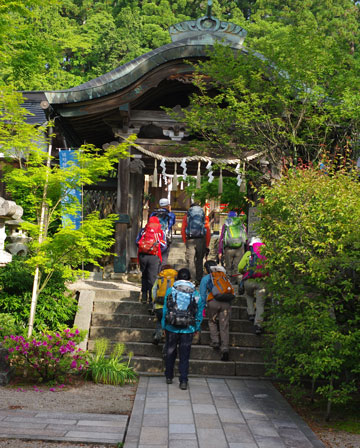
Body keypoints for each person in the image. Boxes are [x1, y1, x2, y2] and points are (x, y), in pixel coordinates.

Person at [161, 268, 205, 390]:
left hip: (171, 326)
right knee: (185, 355)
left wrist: (164, 326)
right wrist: (196, 327)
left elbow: (165, 309)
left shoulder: (170, 290)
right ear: (189, 279)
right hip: (188, 328)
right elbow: (199, 313)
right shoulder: (195, 294)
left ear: (177, 278)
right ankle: (183, 380)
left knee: (170, 351)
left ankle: (169, 376)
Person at [200, 260, 235, 361]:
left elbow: (202, 296)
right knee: (224, 325)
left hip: (213, 303)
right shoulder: (223, 276)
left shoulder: (206, 278)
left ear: (206, 269)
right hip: (226, 303)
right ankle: (225, 349)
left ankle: (215, 341)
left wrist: (202, 309)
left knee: (212, 321)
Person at [238, 237, 267, 335]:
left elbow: (240, 267)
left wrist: (245, 272)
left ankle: (250, 313)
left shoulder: (248, 254)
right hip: (262, 281)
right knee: (260, 304)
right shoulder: (266, 253)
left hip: (249, 280)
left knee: (249, 295)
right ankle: (258, 325)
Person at [136, 216, 166, 304]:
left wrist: (144, 249)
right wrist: (156, 251)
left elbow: (137, 242)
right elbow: (164, 245)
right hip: (154, 257)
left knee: (144, 275)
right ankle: (151, 300)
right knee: (152, 278)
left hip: (143, 256)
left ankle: (144, 296)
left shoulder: (143, 230)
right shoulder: (160, 231)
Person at [181, 203, 211, 284]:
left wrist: (185, 241)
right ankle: (199, 279)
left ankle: (193, 279)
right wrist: (207, 243)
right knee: (200, 260)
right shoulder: (204, 216)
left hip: (190, 240)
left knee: (191, 260)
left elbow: (183, 229)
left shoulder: (187, 216)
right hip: (201, 239)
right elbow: (207, 230)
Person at [151, 264, 178, 349]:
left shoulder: (159, 278)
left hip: (159, 306)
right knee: (169, 324)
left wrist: (154, 301)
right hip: (171, 307)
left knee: (160, 321)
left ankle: (158, 335)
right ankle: (166, 345)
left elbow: (154, 290)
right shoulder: (175, 279)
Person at [218, 211, 247, 278]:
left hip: (228, 248)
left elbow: (222, 238)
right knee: (237, 266)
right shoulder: (241, 224)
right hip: (240, 248)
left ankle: (229, 283)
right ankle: (237, 282)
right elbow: (245, 236)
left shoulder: (226, 225)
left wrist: (220, 251)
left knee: (228, 267)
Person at [150, 198, 176, 266]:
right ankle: (161, 272)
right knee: (164, 256)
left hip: (154, 237)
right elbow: (171, 224)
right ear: (168, 206)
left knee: (155, 253)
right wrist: (169, 212)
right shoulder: (171, 215)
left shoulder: (153, 214)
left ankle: (154, 271)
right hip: (165, 237)